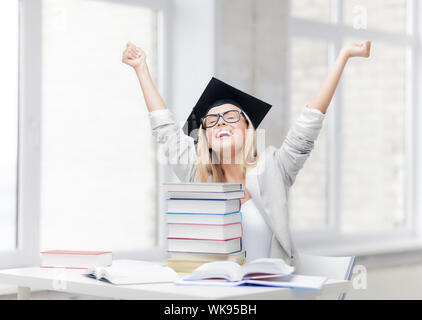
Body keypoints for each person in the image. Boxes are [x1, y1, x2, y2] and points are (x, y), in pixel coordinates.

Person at [122, 40, 371, 265]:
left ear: (247, 128)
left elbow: (308, 126)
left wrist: (343, 56)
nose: (220, 122)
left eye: (231, 117)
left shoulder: (274, 168)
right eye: (212, 120)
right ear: (205, 138)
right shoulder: (196, 175)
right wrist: (141, 68)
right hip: (215, 294)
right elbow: (165, 131)